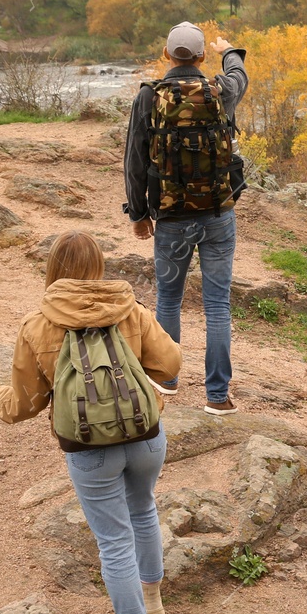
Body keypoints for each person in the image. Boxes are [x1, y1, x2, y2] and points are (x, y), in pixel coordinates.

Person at [0, 232, 182, 614]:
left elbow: (24, 405)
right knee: (143, 510)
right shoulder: (131, 309)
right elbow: (170, 365)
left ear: (52, 269)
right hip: (146, 435)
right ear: (98, 267)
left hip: (90, 449)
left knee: (113, 541)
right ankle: (153, 603)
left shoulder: (38, 324)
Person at [123, 21, 248, 417]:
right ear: (201, 57)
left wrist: (139, 214)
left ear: (166, 55)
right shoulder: (219, 91)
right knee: (217, 305)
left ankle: (165, 382)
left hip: (172, 217)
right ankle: (217, 396)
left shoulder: (149, 97)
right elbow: (239, 77)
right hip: (218, 215)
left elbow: (135, 162)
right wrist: (229, 50)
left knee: (169, 300)